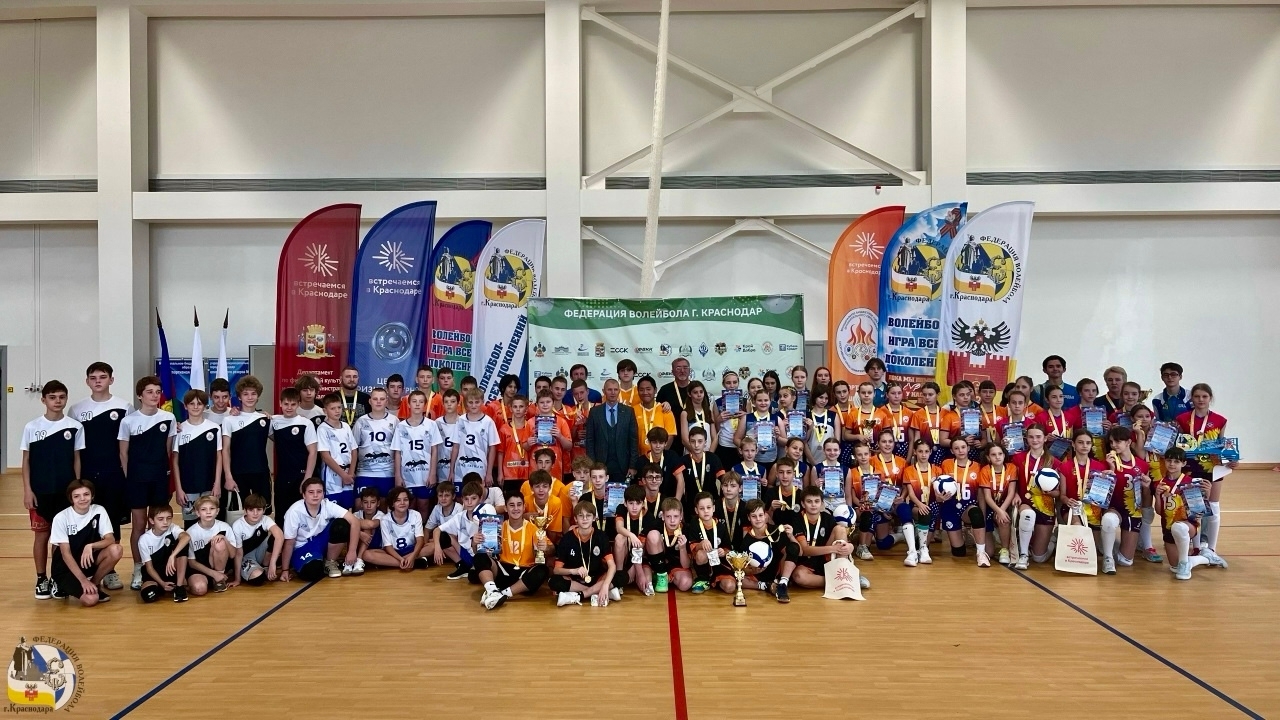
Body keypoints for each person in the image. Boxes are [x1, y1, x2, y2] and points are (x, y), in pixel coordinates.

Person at [69, 362, 131, 585]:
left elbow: (132, 439)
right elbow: (74, 449)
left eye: (102, 377)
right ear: (87, 381)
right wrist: (77, 480)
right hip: (87, 476)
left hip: (114, 474)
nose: (98, 381)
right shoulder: (76, 409)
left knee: (112, 522)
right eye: (93, 378)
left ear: (111, 380)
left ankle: (110, 571)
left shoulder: (124, 407)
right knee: (89, 522)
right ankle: (86, 567)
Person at [22, 379, 85, 600]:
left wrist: (77, 488)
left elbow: (77, 458)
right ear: (43, 400)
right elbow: (26, 461)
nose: (57, 401)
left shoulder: (75, 427)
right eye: (52, 397)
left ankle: (59, 579)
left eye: (61, 397)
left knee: (60, 539)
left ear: (66, 399)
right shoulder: (32, 427)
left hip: (64, 493)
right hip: (40, 492)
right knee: (41, 535)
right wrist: (27, 490)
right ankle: (41, 578)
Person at [118, 375, 176, 590]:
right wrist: (130, 478)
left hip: (159, 478)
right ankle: (138, 568)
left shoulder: (168, 418)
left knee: (159, 524)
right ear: (140, 395)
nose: (154, 396)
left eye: (157, 392)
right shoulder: (129, 421)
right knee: (139, 525)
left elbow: (167, 450)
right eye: (149, 392)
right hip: (137, 480)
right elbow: (123, 454)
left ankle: (158, 566)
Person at [1175, 383, 1232, 564]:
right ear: (1191, 398)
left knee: (1213, 505)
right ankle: (1197, 546)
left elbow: (1223, 445)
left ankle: (1211, 548)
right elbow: (1178, 444)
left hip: (1213, 468)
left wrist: (1231, 459)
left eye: (1204, 396)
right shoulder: (1182, 419)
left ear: (1210, 398)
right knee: (1194, 506)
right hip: (1190, 467)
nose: (1200, 400)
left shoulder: (1220, 420)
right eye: (1197, 396)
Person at [48, 479, 124, 606]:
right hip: (66, 567)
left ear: (92, 495)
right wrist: (83, 581)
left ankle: (94, 584)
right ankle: (57, 582)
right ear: (71, 499)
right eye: (77, 496)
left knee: (116, 549)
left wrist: (91, 546)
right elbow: (66, 554)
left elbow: (110, 539)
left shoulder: (99, 510)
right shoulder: (61, 518)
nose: (82, 499)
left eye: (86, 494)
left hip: (86, 561)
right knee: (91, 600)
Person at [1155, 448, 1225, 580]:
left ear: (1183, 463)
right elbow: (1159, 511)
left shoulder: (1190, 482)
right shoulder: (1161, 483)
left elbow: (1200, 511)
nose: (1172, 464)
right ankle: (1205, 558)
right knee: (1174, 567)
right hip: (1167, 528)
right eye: (1169, 460)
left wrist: (1207, 494)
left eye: (1176, 461)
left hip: (1188, 526)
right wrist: (1158, 495)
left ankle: (1185, 563)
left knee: (1178, 527)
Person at [473, 493, 549, 610]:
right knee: (480, 556)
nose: (516, 508)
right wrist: (475, 543)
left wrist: (546, 548)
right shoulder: (497, 527)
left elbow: (550, 550)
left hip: (524, 574)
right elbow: (482, 553)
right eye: (512, 505)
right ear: (506, 508)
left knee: (542, 570)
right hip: (502, 570)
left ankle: (502, 594)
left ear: (524, 507)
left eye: (519, 505)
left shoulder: (534, 528)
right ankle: (492, 590)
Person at [280, 477, 363, 581]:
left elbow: (354, 521)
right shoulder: (294, 511)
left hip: (321, 541)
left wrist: (352, 551)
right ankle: (316, 561)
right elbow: (289, 543)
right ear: (304, 495)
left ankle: (330, 562)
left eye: (319, 492)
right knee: (313, 572)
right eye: (311, 492)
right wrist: (285, 570)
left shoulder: (327, 505)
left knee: (341, 524)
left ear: (323, 494)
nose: (315, 495)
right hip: (302, 547)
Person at [1100, 426, 1151, 574]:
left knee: (1126, 561)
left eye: (1118, 441)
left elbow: (1146, 497)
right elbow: (1101, 495)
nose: (1114, 445)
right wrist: (1110, 471)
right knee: (1109, 520)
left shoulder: (1142, 465)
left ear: (1128, 442)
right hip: (1113, 507)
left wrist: (1146, 488)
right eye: (1111, 442)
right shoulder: (1106, 462)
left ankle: (1108, 544)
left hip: (1133, 510)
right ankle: (1108, 558)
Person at [222, 375, 273, 515]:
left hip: (261, 472)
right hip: (238, 473)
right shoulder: (229, 420)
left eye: (253, 393)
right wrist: (228, 476)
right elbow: (225, 450)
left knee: (262, 513)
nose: (250, 397)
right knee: (240, 514)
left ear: (258, 396)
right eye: (245, 394)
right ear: (239, 397)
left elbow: (282, 439)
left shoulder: (265, 419)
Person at [789, 486, 858, 590]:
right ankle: (842, 581)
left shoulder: (827, 518)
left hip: (826, 558)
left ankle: (843, 573)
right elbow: (804, 550)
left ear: (822, 503)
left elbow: (842, 539)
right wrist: (833, 549)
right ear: (803, 504)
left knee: (840, 529)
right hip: (806, 562)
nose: (813, 505)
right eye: (809, 501)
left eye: (816, 501)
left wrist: (850, 546)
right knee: (799, 576)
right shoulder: (797, 520)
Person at [1012, 425, 1058, 570]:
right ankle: (1024, 555)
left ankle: (1054, 539)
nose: (1035, 440)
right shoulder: (1018, 458)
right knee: (1028, 514)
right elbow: (1012, 482)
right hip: (1025, 501)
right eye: (1031, 437)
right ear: (1026, 439)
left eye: (1038, 437)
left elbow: (1059, 492)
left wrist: (1050, 492)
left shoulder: (1053, 461)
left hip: (1045, 506)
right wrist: (1015, 493)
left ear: (1045, 438)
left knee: (1039, 558)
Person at [173, 389, 223, 522]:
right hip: (188, 486)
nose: (195, 407)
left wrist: (217, 483)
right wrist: (179, 489)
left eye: (199, 403)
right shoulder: (179, 430)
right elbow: (175, 462)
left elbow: (219, 457)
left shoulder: (214, 428)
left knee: (209, 522)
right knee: (190, 524)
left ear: (205, 406)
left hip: (209, 485)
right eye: (191, 403)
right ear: (185, 406)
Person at [392, 389, 443, 517]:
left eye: (420, 402)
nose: (417, 404)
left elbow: (434, 450)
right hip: (407, 475)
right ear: (408, 404)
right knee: (409, 505)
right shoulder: (401, 426)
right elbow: (397, 452)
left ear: (425, 405)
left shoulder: (431, 425)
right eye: (414, 401)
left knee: (423, 504)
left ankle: (423, 530)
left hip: (424, 475)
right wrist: (398, 475)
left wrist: (433, 473)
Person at [738, 499, 799, 603]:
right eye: (754, 516)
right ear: (748, 518)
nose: (758, 519)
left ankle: (783, 584)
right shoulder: (747, 540)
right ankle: (766, 586)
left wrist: (791, 537)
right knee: (738, 579)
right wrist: (753, 571)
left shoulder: (775, 530)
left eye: (760, 515)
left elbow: (796, 552)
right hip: (760, 574)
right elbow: (743, 569)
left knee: (793, 547)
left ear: (765, 515)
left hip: (777, 571)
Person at [271, 387, 318, 523]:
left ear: (298, 404)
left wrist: (307, 478)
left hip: (301, 476)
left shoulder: (306, 423)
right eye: (286, 404)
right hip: (282, 476)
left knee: (302, 514)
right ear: (280, 403)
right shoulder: (274, 421)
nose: (289, 407)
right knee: (281, 514)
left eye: (293, 404)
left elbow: (313, 452)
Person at [936, 436, 986, 565]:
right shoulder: (946, 464)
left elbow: (981, 492)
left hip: (967, 506)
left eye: (963, 447)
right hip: (950, 507)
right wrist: (939, 497)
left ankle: (981, 553)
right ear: (952, 451)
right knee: (959, 552)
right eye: (956, 448)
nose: (960, 451)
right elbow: (938, 485)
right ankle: (965, 533)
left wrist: (983, 513)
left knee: (976, 514)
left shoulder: (977, 467)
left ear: (968, 448)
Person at [585, 379, 640, 484]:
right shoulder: (595, 412)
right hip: (600, 465)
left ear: (619, 391)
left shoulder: (628, 411)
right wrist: (592, 465)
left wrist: (633, 465)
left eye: (615, 389)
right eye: (609, 389)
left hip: (623, 466)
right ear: (604, 391)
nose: (613, 392)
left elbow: (633, 440)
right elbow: (590, 440)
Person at [185, 495, 241, 595]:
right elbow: (192, 563)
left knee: (220, 542)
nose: (208, 512)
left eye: (212, 508)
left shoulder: (224, 527)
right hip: (200, 568)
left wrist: (224, 538)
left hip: (218, 566)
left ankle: (218, 580)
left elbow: (233, 554)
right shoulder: (190, 532)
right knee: (200, 589)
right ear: (197, 512)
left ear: (217, 511)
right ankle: (190, 584)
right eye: (203, 509)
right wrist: (213, 574)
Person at [362, 487, 426, 571]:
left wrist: (413, 556)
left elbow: (420, 540)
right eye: (398, 500)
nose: (402, 503)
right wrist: (400, 559)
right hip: (393, 553)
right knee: (366, 554)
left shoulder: (416, 515)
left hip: (411, 550)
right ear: (392, 503)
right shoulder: (385, 519)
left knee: (432, 547)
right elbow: (388, 546)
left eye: (405, 500)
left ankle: (396, 563)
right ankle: (411, 563)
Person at [352, 387, 399, 498]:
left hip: (387, 473)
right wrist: (351, 471)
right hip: (364, 472)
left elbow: (398, 449)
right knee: (360, 504)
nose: (378, 402)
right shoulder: (361, 421)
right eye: (375, 399)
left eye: (382, 399)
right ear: (370, 401)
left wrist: (398, 474)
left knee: (384, 504)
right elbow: (353, 448)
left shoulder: (394, 421)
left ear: (386, 401)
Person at [137, 505, 190, 602]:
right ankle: (161, 587)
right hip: (154, 573)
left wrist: (172, 556)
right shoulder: (144, 539)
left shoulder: (173, 528)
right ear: (152, 521)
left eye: (168, 518)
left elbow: (186, 537)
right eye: (160, 519)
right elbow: (149, 568)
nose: (165, 522)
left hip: (170, 570)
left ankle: (179, 586)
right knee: (149, 596)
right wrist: (162, 583)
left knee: (183, 543)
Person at [899, 440, 939, 567]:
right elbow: (910, 494)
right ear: (915, 452)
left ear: (930, 452)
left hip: (933, 506)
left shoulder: (937, 470)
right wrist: (920, 504)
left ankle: (922, 549)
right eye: (920, 451)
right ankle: (920, 549)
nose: (923, 454)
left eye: (926, 451)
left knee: (927, 513)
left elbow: (939, 492)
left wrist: (941, 497)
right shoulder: (909, 470)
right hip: (916, 506)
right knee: (923, 512)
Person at [978, 443, 1019, 566]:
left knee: (1004, 519)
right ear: (988, 457)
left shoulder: (1011, 467)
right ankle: (987, 534)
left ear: (1004, 455)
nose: (997, 457)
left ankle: (1005, 549)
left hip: (1004, 503)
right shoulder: (985, 470)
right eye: (993, 455)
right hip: (990, 505)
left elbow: (1011, 492)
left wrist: (1002, 511)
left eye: (1000, 454)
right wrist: (998, 510)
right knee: (989, 552)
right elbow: (987, 497)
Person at [686, 492, 735, 595]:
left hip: (719, 563)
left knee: (730, 587)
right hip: (703, 563)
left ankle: (715, 581)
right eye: (702, 508)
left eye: (708, 507)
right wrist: (701, 544)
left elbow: (728, 549)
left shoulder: (721, 527)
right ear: (696, 510)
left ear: (713, 508)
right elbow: (692, 548)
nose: (706, 511)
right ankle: (703, 579)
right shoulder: (694, 524)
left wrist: (723, 552)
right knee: (701, 554)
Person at [614, 484, 658, 596]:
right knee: (620, 537)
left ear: (643, 503)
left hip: (639, 558)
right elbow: (619, 528)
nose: (634, 507)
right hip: (624, 556)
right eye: (631, 503)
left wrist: (638, 572)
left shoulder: (649, 517)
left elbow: (640, 549)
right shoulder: (621, 509)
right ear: (625, 503)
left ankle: (646, 583)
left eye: (638, 503)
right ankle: (619, 575)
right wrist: (631, 535)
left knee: (644, 581)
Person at [315, 392, 358, 507]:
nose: (337, 411)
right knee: (332, 508)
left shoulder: (346, 426)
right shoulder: (323, 429)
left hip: (348, 472)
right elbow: (325, 456)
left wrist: (350, 472)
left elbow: (354, 450)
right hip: (332, 475)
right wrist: (343, 475)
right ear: (325, 411)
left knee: (347, 507)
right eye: (333, 408)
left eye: (339, 407)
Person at [231, 493, 285, 584]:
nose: (255, 513)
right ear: (245, 511)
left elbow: (279, 536)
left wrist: (273, 563)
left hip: (261, 553)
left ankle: (266, 566)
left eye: (259, 510)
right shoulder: (238, 525)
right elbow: (238, 554)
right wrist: (237, 579)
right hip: (246, 557)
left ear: (264, 510)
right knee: (259, 579)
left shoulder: (265, 519)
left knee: (276, 537)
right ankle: (260, 570)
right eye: (251, 510)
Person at [455, 389, 502, 492]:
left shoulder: (488, 422)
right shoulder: (460, 420)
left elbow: (492, 448)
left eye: (477, 402)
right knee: (460, 497)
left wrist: (489, 473)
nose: (474, 405)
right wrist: (451, 471)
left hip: (480, 469)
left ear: (482, 402)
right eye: (470, 402)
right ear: (466, 403)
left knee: (478, 496)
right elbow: (456, 446)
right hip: (460, 469)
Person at [645, 498, 692, 593]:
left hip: (676, 565)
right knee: (653, 535)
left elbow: (686, 565)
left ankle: (669, 577)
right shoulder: (655, 525)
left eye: (676, 516)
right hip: (656, 563)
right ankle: (660, 574)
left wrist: (683, 548)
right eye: (668, 516)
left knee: (686, 584)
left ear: (681, 516)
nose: (672, 520)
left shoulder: (687, 530)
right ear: (662, 516)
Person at [675, 427, 724, 515]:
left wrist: (722, 500)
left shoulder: (713, 458)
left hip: (711, 505)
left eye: (700, 441)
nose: (696, 445)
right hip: (691, 506)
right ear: (689, 442)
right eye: (693, 441)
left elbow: (724, 480)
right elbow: (679, 484)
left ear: (705, 442)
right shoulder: (683, 461)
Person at [735, 389, 782, 474]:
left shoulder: (776, 419)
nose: (763, 403)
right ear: (754, 402)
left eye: (766, 400)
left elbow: (785, 442)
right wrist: (747, 447)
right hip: (751, 460)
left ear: (770, 401)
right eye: (760, 400)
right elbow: (736, 439)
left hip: (771, 459)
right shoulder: (746, 418)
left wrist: (778, 437)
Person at [909, 381, 953, 466]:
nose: (927, 397)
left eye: (930, 394)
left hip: (944, 451)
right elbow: (917, 438)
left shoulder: (946, 413)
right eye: (924, 395)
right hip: (925, 452)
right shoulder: (918, 414)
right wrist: (915, 455)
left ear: (938, 394)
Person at [656, 358, 694, 454]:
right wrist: (663, 404)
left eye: (685, 367)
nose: (682, 371)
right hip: (672, 438)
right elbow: (656, 411)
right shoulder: (665, 390)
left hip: (694, 437)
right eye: (678, 368)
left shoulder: (696, 388)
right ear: (672, 371)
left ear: (689, 370)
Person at [635, 375, 677, 458]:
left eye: (648, 389)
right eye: (641, 390)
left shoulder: (665, 410)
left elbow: (670, 436)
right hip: (639, 458)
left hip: (660, 458)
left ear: (655, 390)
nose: (645, 392)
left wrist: (659, 456)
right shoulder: (633, 410)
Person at [713, 371, 745, 470]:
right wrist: (718, 420)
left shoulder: (745, 401)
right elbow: (715, 429)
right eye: (728, 383)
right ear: (723, 384)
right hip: (724, 444)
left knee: (739, 475)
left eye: (735, 382)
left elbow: (750, 425)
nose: (732, 386)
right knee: (725, 475)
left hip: (740, 445)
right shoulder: (717, 402)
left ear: (738, 383)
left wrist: (745, 416)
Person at [423, 481, 463, 563]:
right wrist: (425, 544)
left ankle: (412, 560)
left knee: (433, 545)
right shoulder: (437, 508)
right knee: (430, 546)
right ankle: (414, 560)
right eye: (440, 496)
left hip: (456, 544)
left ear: (453, 496)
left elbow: (457, 536)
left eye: (447, 495)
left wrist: (436, 542)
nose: (443, 498)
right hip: (442, 541)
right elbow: (427, 530)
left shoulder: (459, 508)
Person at [874, 383, 911, 458]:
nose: (896, 396)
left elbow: (911, 439)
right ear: (887, 395)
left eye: (899, 393)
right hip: (885, 452)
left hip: (904, 452)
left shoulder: (909, 413)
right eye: (893, 393)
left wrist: (909, 458)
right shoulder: (879, 412)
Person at [716, 471, 748, 549]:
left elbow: (746, 537)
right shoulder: (714, 507)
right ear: (721, 487)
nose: (728, 489)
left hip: (740, 550)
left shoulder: (745, 508)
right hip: (719, 550)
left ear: (740, 488)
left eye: (733, 486)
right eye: (725, 485)